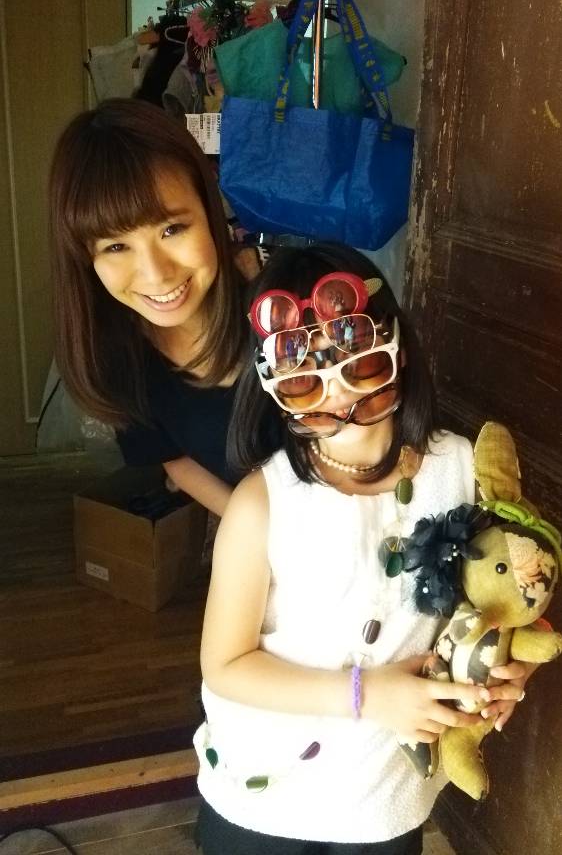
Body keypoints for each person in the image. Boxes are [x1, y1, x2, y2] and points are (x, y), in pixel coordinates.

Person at [194, 242, 534, 854]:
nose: (338, 395)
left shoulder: (465, 471)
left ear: (397, 350)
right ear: (274, 386)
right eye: (305, 379)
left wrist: (512, 663)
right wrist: (366, 694)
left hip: (385, 794)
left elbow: (515, 583)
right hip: (264, 791)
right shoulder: (261, 504)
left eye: (359, 363)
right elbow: (225, 665)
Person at [48, 98, 276, 516]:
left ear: (209, 211)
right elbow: (173, 458)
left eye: (172, 229)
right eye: (116, 247)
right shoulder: (120, 362)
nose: (156, 275)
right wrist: (257, 531)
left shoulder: (287, 303)